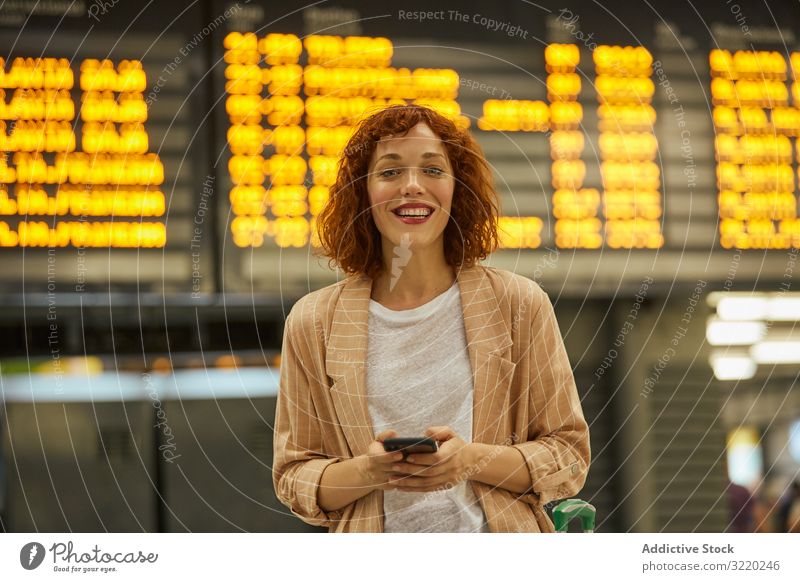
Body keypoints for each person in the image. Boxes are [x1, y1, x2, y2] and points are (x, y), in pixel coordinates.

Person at [272, 104, 590, 532]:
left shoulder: (517, 303)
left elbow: (568, 456)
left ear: (459, 189)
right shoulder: (313, 322)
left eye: (433, 170)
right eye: (389, 172)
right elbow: (293, 476)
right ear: (361, 193)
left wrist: (471, 460)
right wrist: (367, 471)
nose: (412, 186)